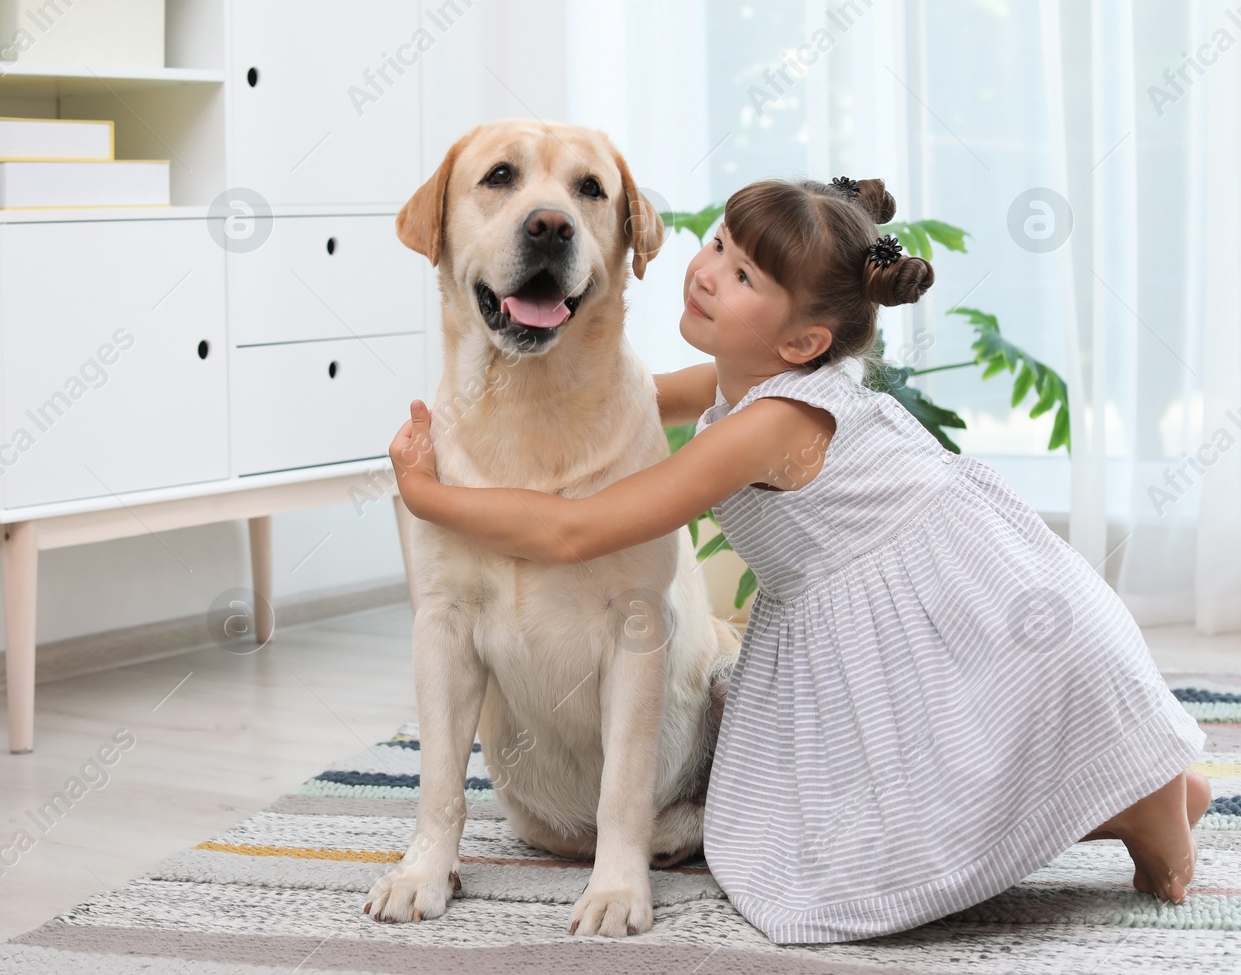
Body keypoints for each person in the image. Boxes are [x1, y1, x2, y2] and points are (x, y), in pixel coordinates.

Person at [386, 174, 1212, 945]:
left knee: (865, 844)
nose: (708, 272)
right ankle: (1127, 791)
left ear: (804, 340)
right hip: (877, 614)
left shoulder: (771, 421)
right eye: (716, 246)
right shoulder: (737, 377)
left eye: (744, 277)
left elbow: (580, 529)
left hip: (958, 613)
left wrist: (433, 499)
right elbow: (626, 388)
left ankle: (1147, 809)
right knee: (865, 818)